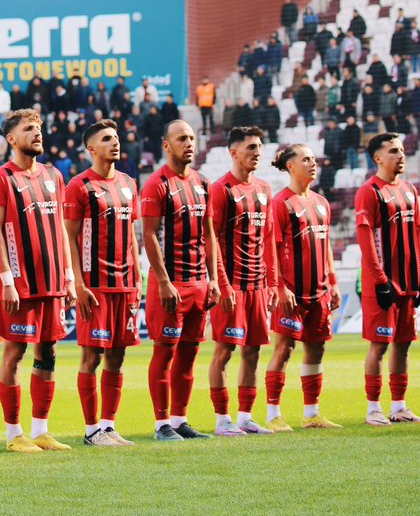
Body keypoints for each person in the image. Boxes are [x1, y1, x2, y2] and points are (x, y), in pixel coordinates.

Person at [0, 109, 75, 454]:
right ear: (11, 139)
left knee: (48, 351)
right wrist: (6, 280)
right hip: (21, 283)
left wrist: (68, 276)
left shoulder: (53, 176)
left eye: (38, 127)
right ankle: (13, 433)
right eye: (28, 129)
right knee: (15, 351)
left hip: (52, 282)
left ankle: (41, 430)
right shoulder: (1, 178)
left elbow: (62, 231)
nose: (37, 133)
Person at [141, 119, 221, 442]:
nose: (189, 143)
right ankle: (162, 424)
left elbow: (209, 234)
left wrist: (213, 279)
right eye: (181, 138)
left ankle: (180, 419)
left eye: (191, 137)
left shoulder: (203, 183)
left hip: (198, 284)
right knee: (165, 352)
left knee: (188, 354)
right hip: (170, 284)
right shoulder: (157, 184)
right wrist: (163, 281)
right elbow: (149, 235)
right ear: (166, 146)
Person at [62, 119, 140, 448]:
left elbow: (133, 238)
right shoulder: (79, 186)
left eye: (117, 138)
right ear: (91, 148)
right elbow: (69, 236)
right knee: (92, 357)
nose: (115, 143)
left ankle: (109, 426)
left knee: (118, 357)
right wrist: (77, 283)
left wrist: (138, 278)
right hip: (95, 287)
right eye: (107, 139)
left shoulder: (128, 184)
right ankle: (92, 429)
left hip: (126, 286)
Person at [265, 143, 342, 432]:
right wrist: (280, 286)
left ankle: (312, 413)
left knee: (317, 348)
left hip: (319, 290)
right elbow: (271, 248)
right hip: (292, 291)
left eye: (313, 159)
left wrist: (333, 282)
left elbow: (327, 246)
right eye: (306, 159)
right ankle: (273, 414)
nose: (313, 163)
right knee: (284, 348)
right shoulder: (281, 203)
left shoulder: (321, 202)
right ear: (290, 166)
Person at [355, 133, 420, 426]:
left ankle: (399, 407)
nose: (401, 156)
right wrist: (379, 279)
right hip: (382, 283)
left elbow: (418, 234)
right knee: (380, 344)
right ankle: (373, 407)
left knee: (403, 343)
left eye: (402, 151)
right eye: (394, 151)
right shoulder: (369, 191)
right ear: (378, 158)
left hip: (408, 281)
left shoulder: (410, 190)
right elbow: (366, 240)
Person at [206, 126, 276, 437]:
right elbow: (213, 240)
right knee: (225, 352)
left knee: (254, 350)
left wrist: (272, 282)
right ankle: (223, 420)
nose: (257, 152)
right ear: (234, 153)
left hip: (257, 285)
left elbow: (269, 239)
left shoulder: (264, 189)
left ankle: (245, 416)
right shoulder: (222, 189)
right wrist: (221, 284)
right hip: (231, 284)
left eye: (259, 147)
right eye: (250, 147)